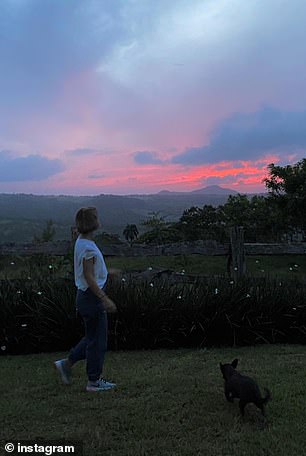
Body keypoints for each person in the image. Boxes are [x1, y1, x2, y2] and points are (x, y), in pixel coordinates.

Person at [54, 207, 117, 392]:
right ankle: (94, 382)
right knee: (98, 342)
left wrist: (106, 273)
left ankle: (67, 364)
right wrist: (104, 298)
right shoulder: (88, 247)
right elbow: (89, 277)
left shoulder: (82, 242)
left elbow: (89, 273)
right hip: (91, 298)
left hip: (85, 297)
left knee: (92, 337)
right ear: (93, 223)